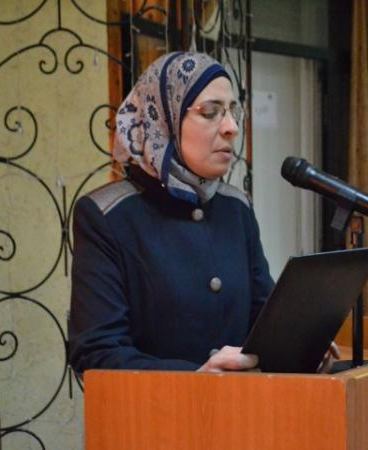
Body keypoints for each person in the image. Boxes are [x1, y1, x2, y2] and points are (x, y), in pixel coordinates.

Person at [68, 51, 339, 373]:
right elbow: (97, 353)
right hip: (157, 405)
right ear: (164, 120)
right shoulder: (107, 215)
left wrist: (298, 343)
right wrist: (197, 379)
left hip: (246, 403)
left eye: (233, 111)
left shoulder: (235, 207)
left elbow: (262, 317)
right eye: (210, 112)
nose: (231, 127)